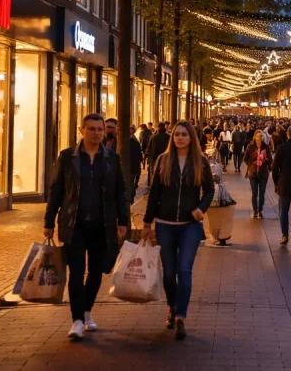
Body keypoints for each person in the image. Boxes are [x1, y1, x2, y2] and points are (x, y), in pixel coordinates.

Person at [45, 113, 130, 340]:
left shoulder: (112, 158)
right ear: (82, 130)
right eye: (91, 129)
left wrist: (123, 221)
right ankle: (77, 320)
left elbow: (120, 191)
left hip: (102, 224)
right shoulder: (67, 157)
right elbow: (56, 190)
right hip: (74, 223)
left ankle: (87, 311)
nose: (96, 133)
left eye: (100, 129)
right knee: (76, 273)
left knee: (95, 272)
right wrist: (48, 221)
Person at [140, 121, 214, 340]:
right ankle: (172, 306)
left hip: (190, 226)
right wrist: (146, 222)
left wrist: (201, 208)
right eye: (177, 135)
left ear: (191, 138)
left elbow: (209, 190)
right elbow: (154, 194)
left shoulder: (200, 162)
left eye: (184, 134)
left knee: (184, 270)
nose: (179, 138)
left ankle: (181, 316)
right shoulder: (164, 160)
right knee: (169, 273)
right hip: (165, 224)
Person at [105, 118, 142, 198]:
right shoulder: (103, 142)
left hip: (123, 176)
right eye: (106, 127)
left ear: (117, 128)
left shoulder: (131, 143)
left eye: (110, 127)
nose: (107, 129)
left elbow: (136, 161)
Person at [244, 130, 273, 218]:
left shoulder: (266, 147)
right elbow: (245, 158)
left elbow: (270, 159)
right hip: (253, 173)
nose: (259, 138)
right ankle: (255, 210)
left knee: (262, 192)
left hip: (263, 172)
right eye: (258, 136)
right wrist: (252, 163)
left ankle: (260, 210)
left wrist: (265, 160)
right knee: (254, 192)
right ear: (254, 137)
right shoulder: (250, 146)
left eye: (261, 136)